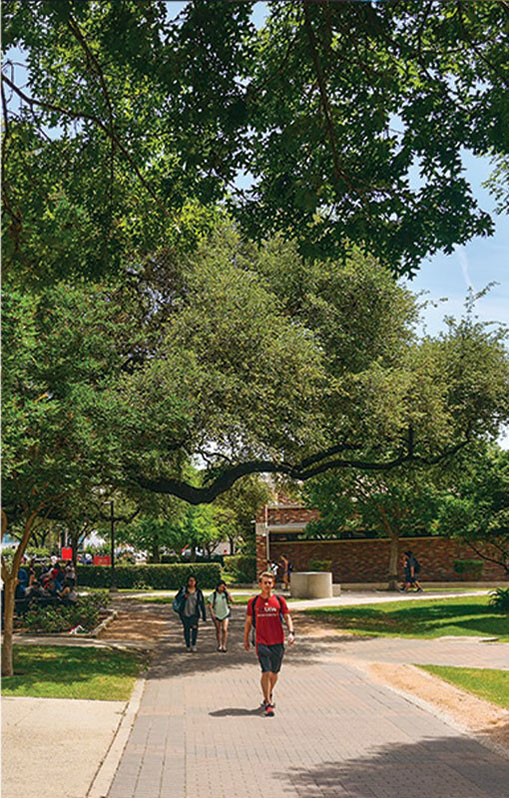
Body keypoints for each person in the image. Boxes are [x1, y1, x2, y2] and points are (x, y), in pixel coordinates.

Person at [244, 571, 295, 717]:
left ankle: (269, 691)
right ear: (259, 584)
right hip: (262, 641)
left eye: (270, 583)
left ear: (273, 584)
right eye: (264, 583)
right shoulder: (253, 602)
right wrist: (246, 639)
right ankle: (268, 702)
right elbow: (248, 622)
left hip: (277, 641)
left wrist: (291, 632)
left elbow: (287, 616)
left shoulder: (279, 600)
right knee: (265, 671)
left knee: (274, 673)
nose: (267, 585)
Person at [174, 575, 206, 652]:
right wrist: (183, 597)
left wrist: (204, 614)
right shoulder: (183, 590)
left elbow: (201, 603)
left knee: (194, 628)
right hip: (184, 613)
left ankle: (194, 644)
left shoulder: (198, 591)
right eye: (190, 581)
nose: (192, 582)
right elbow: (177, 598)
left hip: (194, 613)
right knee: (187, 629)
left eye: (193, 581)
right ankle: (188, 644)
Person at [208, 579, 234, 652]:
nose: (222, 588)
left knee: (224, 629)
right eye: (221, 587)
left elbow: (232, 600)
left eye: (223, 587)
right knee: (218, 630)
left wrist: (227, 592)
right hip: (217, 614)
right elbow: (210, 605)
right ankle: (219, 644)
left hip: (225, 613)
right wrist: (212, 613)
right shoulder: (214, 595)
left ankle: (224, 645)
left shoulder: (225, 594)